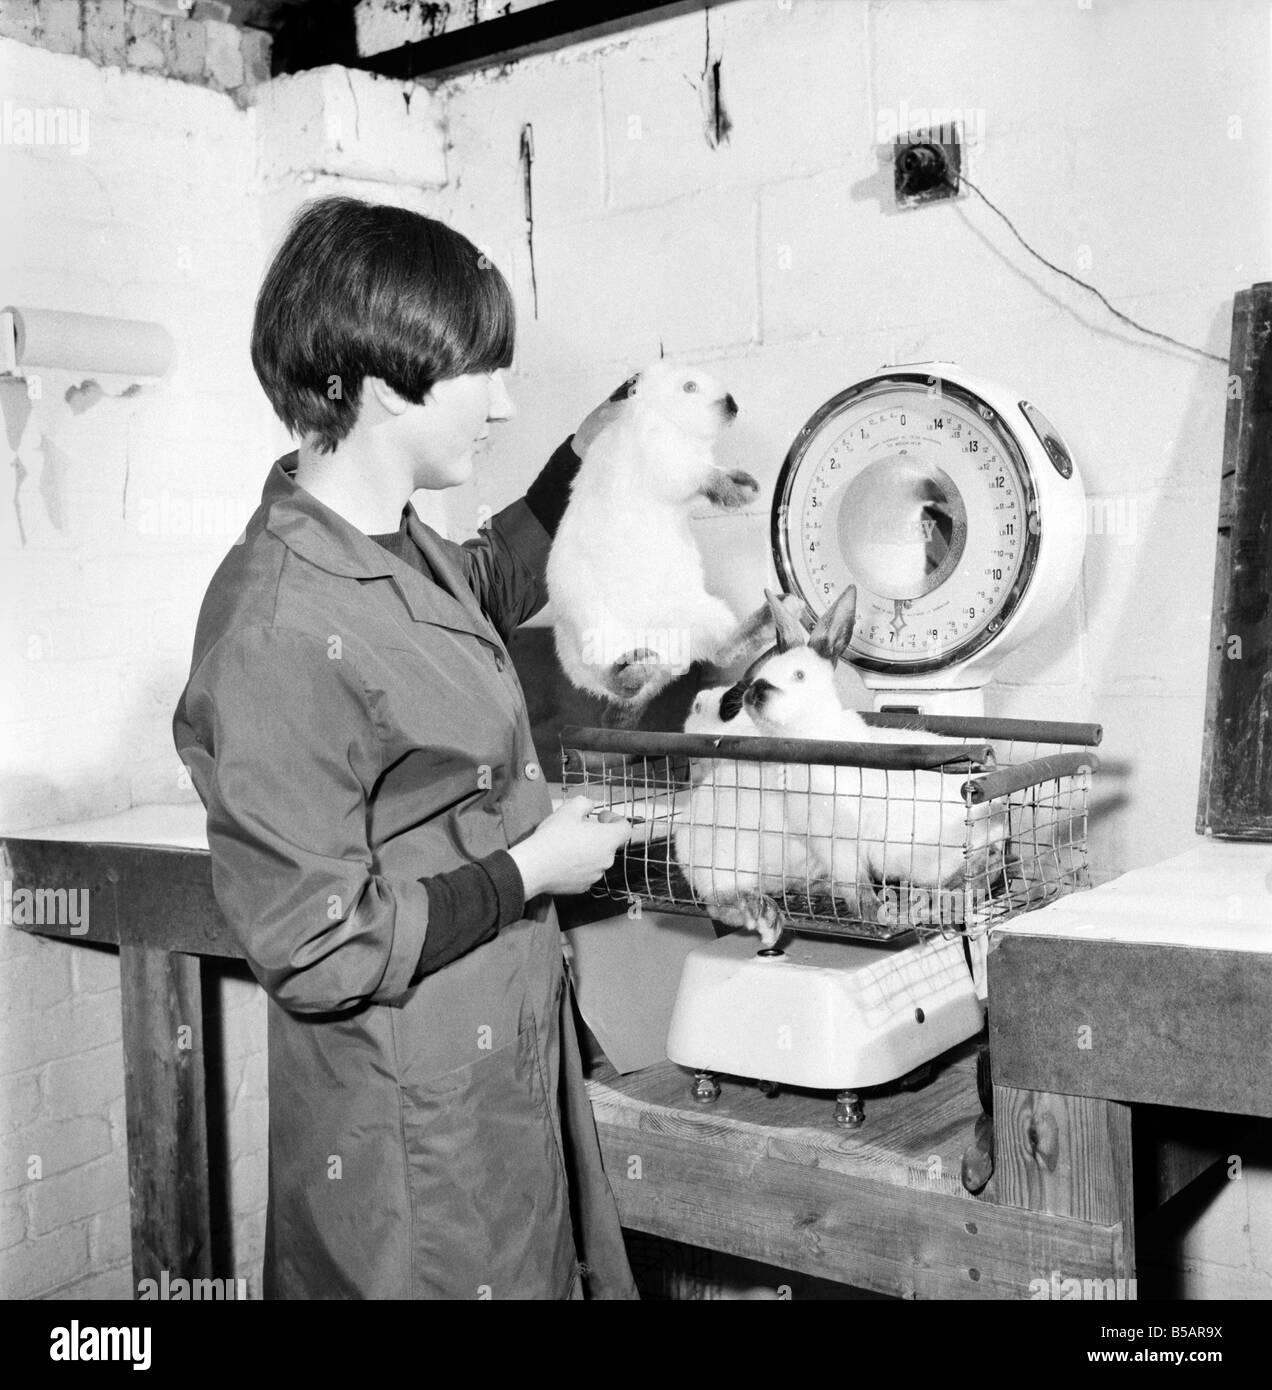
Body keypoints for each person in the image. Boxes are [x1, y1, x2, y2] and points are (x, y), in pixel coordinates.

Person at [173, 195, 639, 1300]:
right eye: (486, 371)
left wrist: (584, 453)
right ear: (386, 384)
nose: (507, 401)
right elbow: (320, 942)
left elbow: (488, 585)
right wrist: (535, 867)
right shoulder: (275, 622)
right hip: (406, 1110)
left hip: (491, 1058)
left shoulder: (393, 547)